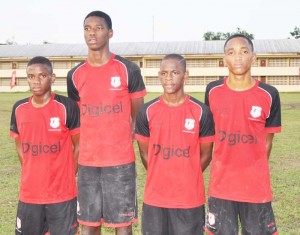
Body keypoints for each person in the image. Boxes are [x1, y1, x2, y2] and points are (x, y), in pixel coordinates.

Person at [67, 11, 146, 235]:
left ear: (110, 32)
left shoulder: (127, 69)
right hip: (87, 162)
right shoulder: (75, 75)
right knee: (88, 224)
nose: (92, 32)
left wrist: (121, 141)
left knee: (122, 224)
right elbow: (77, 118)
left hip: (119, 161)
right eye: (87, 28)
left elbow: (137, 114)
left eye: (98, 27)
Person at [204, 34, 281, 235]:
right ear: (224, 59)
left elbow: (267, 143)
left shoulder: (269, 94)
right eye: (232, 52)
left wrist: (252, 171)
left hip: (256, 188)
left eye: (244, 51)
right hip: (221, 187)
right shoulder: (212, 91)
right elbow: (208, 138)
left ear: (253, 57)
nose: (238, 57)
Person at [135, 54, 215, 235]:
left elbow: (206, 154)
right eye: (164, 73)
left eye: (174, 73)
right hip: (155, 198)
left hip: (189, 199)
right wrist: (162, 173)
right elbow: (145, 154)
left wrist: (186, 173)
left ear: (185, 75)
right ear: (159, 75)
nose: (168, 78)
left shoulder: (201, 112)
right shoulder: (146, 111)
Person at [10, 56, 80, 235]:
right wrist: (30, 169)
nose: (36, 81)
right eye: (31, 76)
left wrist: (68, 174)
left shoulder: (67, 107)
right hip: (30, 193)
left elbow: (79, 145)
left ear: (52, 78)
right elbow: (19, 143)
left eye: (42, 75)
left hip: (62, 194)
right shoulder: (19, 109)